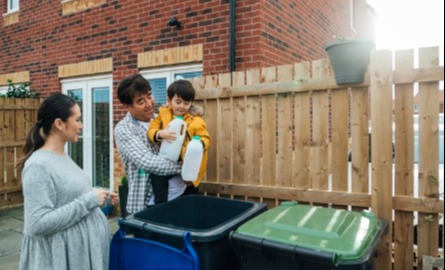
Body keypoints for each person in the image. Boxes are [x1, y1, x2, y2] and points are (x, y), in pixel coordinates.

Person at [18, 92, 118, 270]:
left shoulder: (62, 156)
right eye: (77, 120)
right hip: (61, 260)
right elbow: (37, 223)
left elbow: (68, 196)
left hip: (78, 256)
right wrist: (89, 201)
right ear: (59, 124)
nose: (81, 125)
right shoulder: (38, 165)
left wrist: (100, 198)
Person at [114, 74, 185, 214]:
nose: (149, 103)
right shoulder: (124, 129)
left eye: (149, 96)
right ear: (128, 106)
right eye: (141, 101)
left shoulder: (161, 119)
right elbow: (149, 162)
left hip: (181, 194)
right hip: (149, 204)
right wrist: (185, 169)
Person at [147, 79, 211, 204]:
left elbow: (206, 138)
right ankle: (161, 206)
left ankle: (192, 207)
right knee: (157, 176)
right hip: (168, 158)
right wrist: (160, 133)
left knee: (190, 187)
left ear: (191, 103)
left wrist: (198, 144)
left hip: (187, 161)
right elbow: (151, 130)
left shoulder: (196, 121)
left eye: (186, 103)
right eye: (178, 102)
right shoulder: (162, 116)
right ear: (169, 100)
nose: (181, 106)